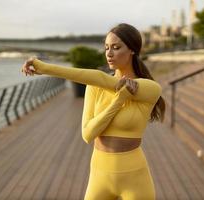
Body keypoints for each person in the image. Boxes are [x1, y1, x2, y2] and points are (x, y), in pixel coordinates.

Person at [21, 23, 165, 200]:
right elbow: (88, 134)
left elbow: (103, 79)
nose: (109, 54)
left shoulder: (150, 89)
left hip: (135, 176)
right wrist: (118, 102)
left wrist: (45, 68)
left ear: (132, 50)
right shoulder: (94, 87)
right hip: (99, 174)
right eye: (106, 48)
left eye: (116, 47)